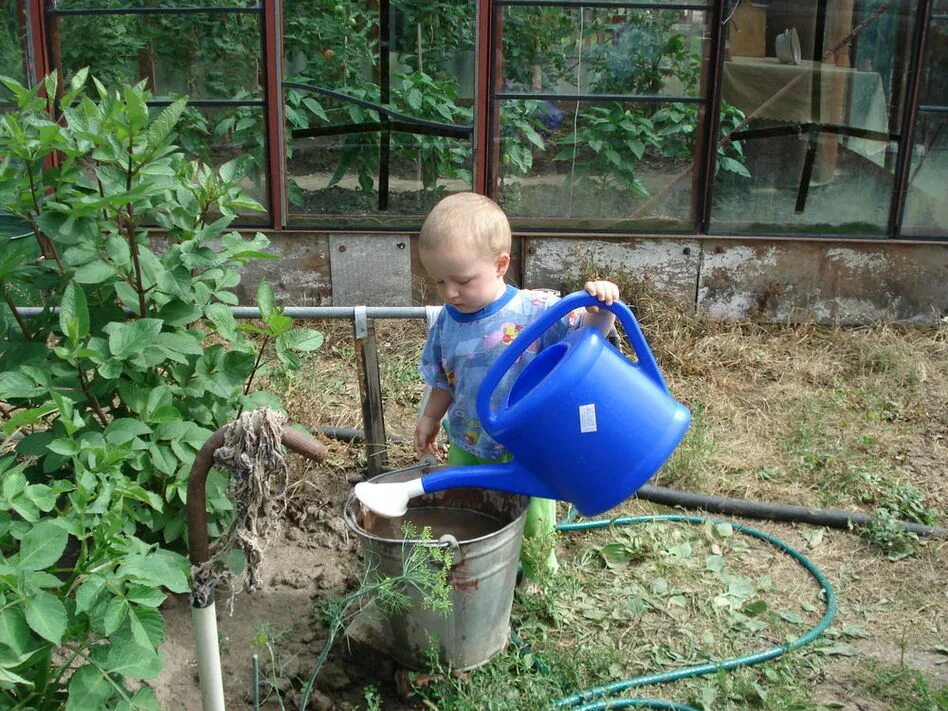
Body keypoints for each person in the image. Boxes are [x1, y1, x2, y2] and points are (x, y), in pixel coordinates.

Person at [414, 192, 620, 582]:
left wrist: (603, 310)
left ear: (500, 264)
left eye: (462, 281)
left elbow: (586, 343)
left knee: (532, 519)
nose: (450, 293)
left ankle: (541, 577)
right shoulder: (446, 321)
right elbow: (444, 378)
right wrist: (429, 418)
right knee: (466, 505)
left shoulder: (535, 310)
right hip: (467, 440)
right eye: (439, 282)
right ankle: (479, 570)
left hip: (524, 448)